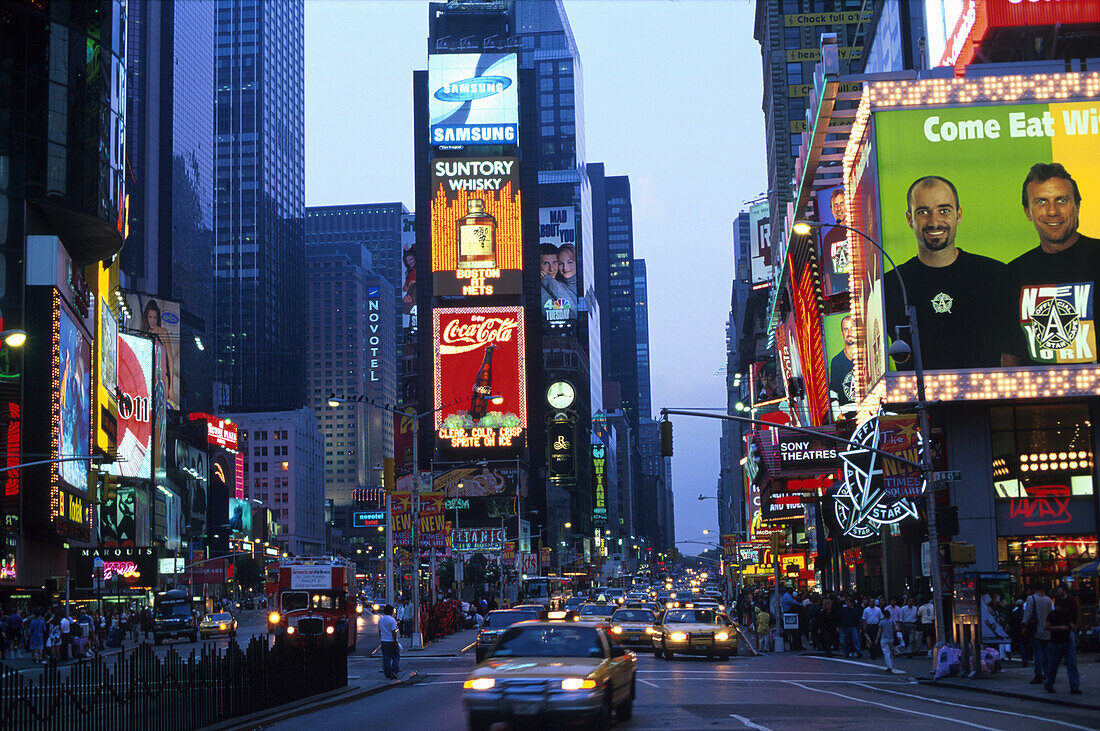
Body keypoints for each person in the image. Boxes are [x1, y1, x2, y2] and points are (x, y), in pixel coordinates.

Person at [884, 175, 1005, 370]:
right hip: (917, 400)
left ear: (958, 215)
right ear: (909, 219)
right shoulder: (890, 285)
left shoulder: (996, 275)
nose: (934, 221)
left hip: (989, 398)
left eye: (944, 210)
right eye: (923, 212)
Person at [1001, 163, 1100, 366]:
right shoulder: (1013, 273)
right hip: (1039, 396)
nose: (1052, 211)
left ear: (1077, 207)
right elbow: (1009, 355)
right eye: (1041, 202)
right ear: (1028, 212)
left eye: (1062, 200)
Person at [1044, 596, 1081, 694]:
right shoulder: (1066, 614)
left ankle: (1049, 684)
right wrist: (1067, 628)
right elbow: (1071, 625)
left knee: (1053, 665)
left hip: (1056, 641)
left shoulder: (1052, 614)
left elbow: (1047, 627)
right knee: (1071, 665)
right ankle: (1074, 686)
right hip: (1065, 640)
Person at [1023, 586, 1054, 685]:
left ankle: (1038, 674)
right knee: (1046, 653)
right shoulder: (1049, 600)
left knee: (1038, 653)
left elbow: (1027, 613)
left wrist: (1024, 624)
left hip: (1035, 629)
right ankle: (1047, 673)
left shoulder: (1031, 599)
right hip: (1046, 630)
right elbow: (1051, 614)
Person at [822, 187, 850, 292]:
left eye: (841, 203)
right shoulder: (828, 238)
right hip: (840, 291)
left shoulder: (857, 230)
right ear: (832, 210)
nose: (839, 208)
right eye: (835, 205)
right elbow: (828, 274)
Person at [378, 605, 401, 679]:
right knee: (395, 656)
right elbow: (393, 632)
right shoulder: (392, 620)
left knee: (386, 657)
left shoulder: (380, 620)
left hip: (384, 641)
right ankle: (394, 671)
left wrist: (382, 638)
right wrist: (395, 641)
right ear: (391, 611)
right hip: (391, 640)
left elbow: (379, 631)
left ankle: (387, 673)